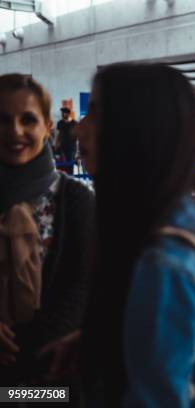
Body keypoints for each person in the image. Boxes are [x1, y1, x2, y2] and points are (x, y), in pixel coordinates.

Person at [62, 63, 195, 406]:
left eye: (95, 113)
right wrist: (96, 341)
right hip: (76, 383)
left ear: (136, 128)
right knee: (17, 395)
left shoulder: (167, 261)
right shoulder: (158, 222)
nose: (79, 129)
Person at [0, 74, 94, 391]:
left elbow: (83, 287)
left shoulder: (77, 201)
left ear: (47, 127)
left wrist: (26, 353)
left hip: (51, 376)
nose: (15, 131)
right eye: (3, 120)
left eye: (28, 119)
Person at [56, 107, 78, 174]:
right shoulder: (60, 123)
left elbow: (77, 136)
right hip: (62, 147)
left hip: (72, 148)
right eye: (62, 113)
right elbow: (58, 134)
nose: (62, 114)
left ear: (68, 114)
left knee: (70, 165)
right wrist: (56, 144)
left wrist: (77, 151)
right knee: (62, 165)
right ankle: (64, 180)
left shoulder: (75, 123)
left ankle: (70, 179)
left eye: (64, 113)